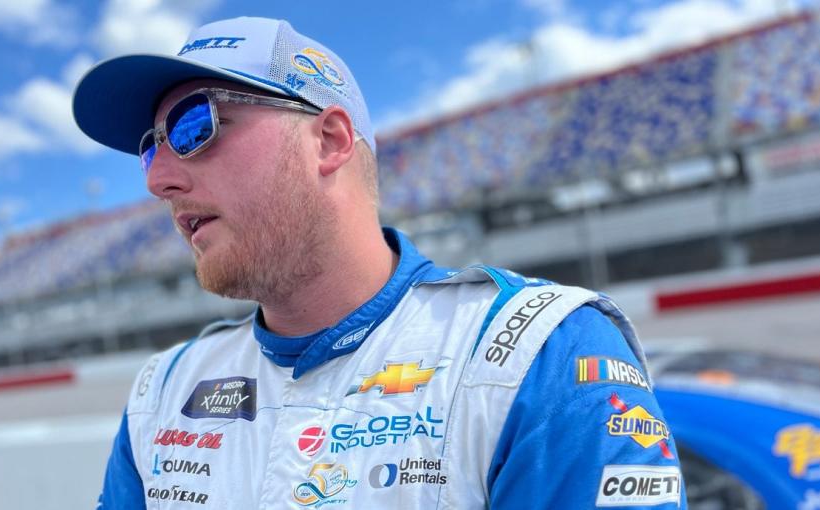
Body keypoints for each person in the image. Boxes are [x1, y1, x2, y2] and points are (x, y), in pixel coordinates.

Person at [73, 16, 687, 509]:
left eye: (192, 125)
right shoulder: (164, 390)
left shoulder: (539, 354)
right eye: (150, 149)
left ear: (330, 140)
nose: (160, 180)